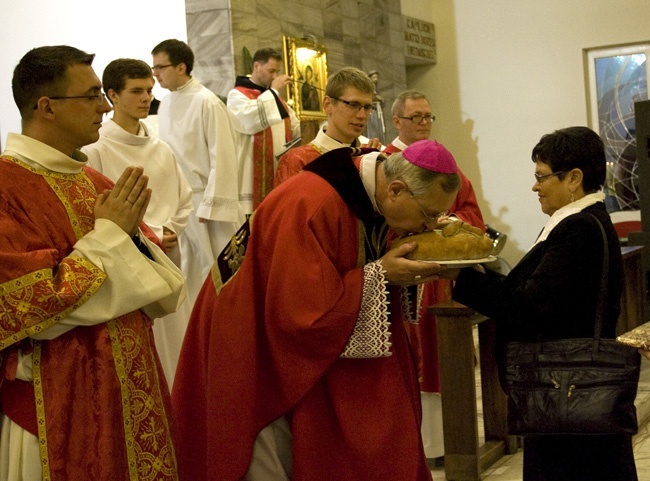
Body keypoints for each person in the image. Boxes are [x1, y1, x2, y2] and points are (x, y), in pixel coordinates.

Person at [172, 140, 462, 481]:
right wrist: (382, 274)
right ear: (396, 189)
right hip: (250, 345)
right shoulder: (311, 203)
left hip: (283, 335)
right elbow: (300, 316)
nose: (428, 226)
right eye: (428, 215)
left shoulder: (369, 194)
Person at [0, 45, 186, 481]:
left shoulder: (94, 181)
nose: (104, 106)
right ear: (46, 107)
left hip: (129, 383)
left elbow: (159, 287)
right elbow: (23, 307)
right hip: (59, 397)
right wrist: (110, 238)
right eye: (91, 95)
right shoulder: (7, 186)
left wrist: (133, 244)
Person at [451, 126, 637, 481]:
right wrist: (479, 274)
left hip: (566, 388)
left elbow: (529, 306)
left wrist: (464, 279)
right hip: (567, 385)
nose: (535, 186)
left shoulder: (579, 228)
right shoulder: (580, 222)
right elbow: (538, 293)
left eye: (541, 177)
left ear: (574, 178)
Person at [384, 89, 484, 460]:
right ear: (398, 121)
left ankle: (444, 444)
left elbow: (472, 214)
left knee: (441, 358)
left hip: (439, 280)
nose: (424, 123)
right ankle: (409, 445)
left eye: (428, 116)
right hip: (401, 278)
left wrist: (448, 222)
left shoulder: (444, 163)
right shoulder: (385, 162)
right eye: (416, 117)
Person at [82, 58, 194, 386]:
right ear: (113, 95)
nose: (146, 98)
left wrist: (173, 227)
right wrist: (154, 233)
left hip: (169, 254)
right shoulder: (95, 148)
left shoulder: (161, 149)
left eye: (149, 90)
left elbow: (183, 198)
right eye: (136, 91)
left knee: (176, 336)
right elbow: (96, 208)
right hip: (128, 260)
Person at [151, 39, 243, 313]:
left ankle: (223, 324)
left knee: (216, 270)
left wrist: (213, 203)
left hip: (206, 204)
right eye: (153, 67)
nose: (155, 73)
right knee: (188, 271)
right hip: (180, 203)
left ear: (181, 67)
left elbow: (223, 154)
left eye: (160, 67)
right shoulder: (166, 103)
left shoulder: (207, 102)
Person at [274, 67, 381, 186]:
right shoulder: (298, 160)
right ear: (328, 104)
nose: (362, 115)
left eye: (367, 107)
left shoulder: (371, 155)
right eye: (353, 105)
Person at [227, 48, 300, 212]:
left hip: (276, 174)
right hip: (250, 179)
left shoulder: (277, 100)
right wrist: (273, 90)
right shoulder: (237, 95)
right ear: (256, 66)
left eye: (277, 72)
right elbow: (249, 121)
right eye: (271, 70)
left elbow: (295, 127)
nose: (275, 76)